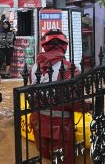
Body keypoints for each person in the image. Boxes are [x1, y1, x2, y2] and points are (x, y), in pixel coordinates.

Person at [29, 29, 89, 164]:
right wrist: (89, 106)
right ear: (64, 46)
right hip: (60, 129)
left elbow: (30, 97)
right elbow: (75, 102)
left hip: (38, 124)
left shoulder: (34, 67)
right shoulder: (69, 69)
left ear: (45, 45)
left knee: (45, 159)